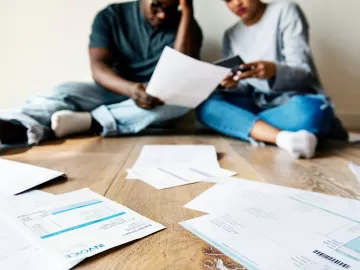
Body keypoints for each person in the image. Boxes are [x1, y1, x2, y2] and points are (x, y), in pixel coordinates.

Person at [0, 0, 202, 147]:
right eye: (156, 6)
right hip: (113, 89)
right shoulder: (111, 15)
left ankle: (91, 122)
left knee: (181, 103)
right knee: (64, 90)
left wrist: (187, 13)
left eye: (170, 8)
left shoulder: (189, 28)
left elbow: (182, 70)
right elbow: (98, 67)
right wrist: (131, 89)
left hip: (156, 100)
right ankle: (17, 123)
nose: (162, 15)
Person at [196, 0, 348, 159]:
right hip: (255, 103)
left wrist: (273, 70)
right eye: (228, 0)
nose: (236, 3)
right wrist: (231, 84)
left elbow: (303, 73)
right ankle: (284, 138)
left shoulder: (285, 11)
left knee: (312, 112)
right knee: (206, 105)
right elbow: (244, 88)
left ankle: (246, 126)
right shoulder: (231, 35)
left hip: (291, 103)